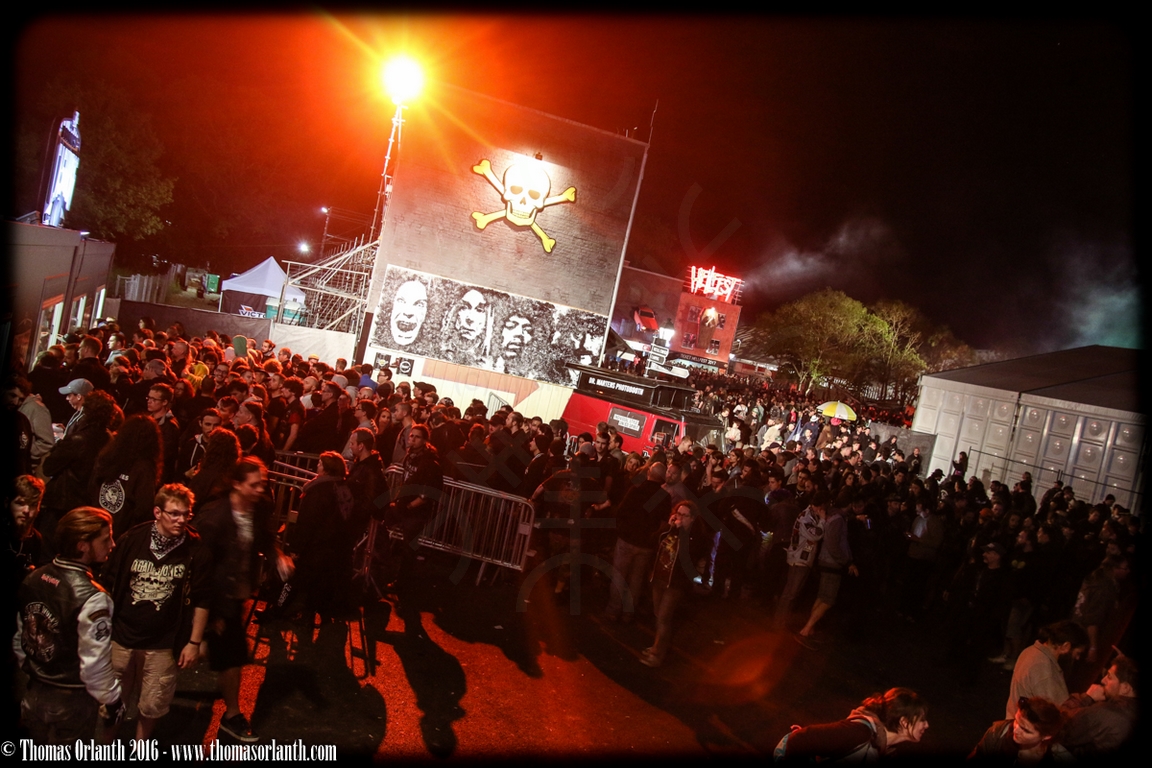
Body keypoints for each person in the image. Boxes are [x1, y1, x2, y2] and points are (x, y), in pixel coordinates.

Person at [100, 484, 211, 741]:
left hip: (163, 642)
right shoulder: (133, 539)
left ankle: (141, 750)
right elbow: (109, 582)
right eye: (174, 513)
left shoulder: (196, 549)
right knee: (113, 702)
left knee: (152, 705)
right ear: (157, 512)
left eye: (186, 514)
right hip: (122, 635)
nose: (181, 520)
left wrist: (194, 642)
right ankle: (104, 749)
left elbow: (202, 598)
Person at [195, 458, 293, 743]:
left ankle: (198, 649)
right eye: (254, 484)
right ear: (237, 484)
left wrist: (278, 557)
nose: (260, 489)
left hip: (236, 597)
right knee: (232, 657)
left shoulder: (255, 509)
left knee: (224, 654)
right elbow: (203, 569)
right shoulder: (216, 519)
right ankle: (232, 716)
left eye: (262, 483)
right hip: (221, 599)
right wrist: (213, 614)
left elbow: (264, 538)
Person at [14, 506, 123, 744]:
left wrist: (35, 672)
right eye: (106, 539)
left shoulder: (33, 578)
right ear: (83, 545)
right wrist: (113, 700)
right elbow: (95, 663)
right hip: (72, 702)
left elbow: (20, 639)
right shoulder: (93, 598)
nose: (112, 545)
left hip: (34, 693)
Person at [642, 499, 710, 668]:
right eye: (678, 513)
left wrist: (682, 532)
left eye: (684, 515)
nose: (680, 517)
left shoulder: (696, 537)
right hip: (659, 578)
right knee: (658, 614)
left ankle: (657, 654)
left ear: (692, 518)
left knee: (664, 618)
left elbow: (690, 556)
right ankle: (657, 645)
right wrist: (668, 526)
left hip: (675, 583)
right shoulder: (671, 529)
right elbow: (653, 540)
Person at [774, 687, 929, 761]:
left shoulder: (882, 750)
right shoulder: (860, 733)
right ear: (904, 721)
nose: (927, 725)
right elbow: (801, 739)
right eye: (922, 719)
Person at [603, 462, 671, 623]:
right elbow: (664, 523)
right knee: (637, 579)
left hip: (627, 539)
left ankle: (613, 610)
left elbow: (621, 511)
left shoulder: (636, 490)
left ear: (649, 473)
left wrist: (622, 529)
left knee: (619, 575)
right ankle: (628, 613)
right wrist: (653, 536)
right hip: (646, 544)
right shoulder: (664, 497)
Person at [382, 425, 443, 590]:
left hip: (416, 511)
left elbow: (427, 493)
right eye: (411, 436)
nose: (413, 439)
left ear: (425, 440)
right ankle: (380, 568)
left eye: (417, 437)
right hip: (403, 505)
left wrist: (409, 506)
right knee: (381, 526)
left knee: (409, 548)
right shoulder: (409, 456)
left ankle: (403, 583)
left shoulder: (429, 462)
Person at [1006, 620, 1089, 719]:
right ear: (1065, 646)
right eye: (1077, 653)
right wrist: (1087, 699)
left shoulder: (1031, 651)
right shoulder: (1044, 669)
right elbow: (1057, 713)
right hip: (1025, 726)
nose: (1077, 658)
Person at [1059, 655, 1138, 757]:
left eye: (1109, 677)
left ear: (1125, 688)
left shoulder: (1107, 712)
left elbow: (1060, 725)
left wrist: (1087, 697)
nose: (1103, 680)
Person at [970, 696, 1071, 763]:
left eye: (1026, 730)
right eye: (1016, 721)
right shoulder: (998, 732)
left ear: (1046, 736)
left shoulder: (1060, 758)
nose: (1016, 730)